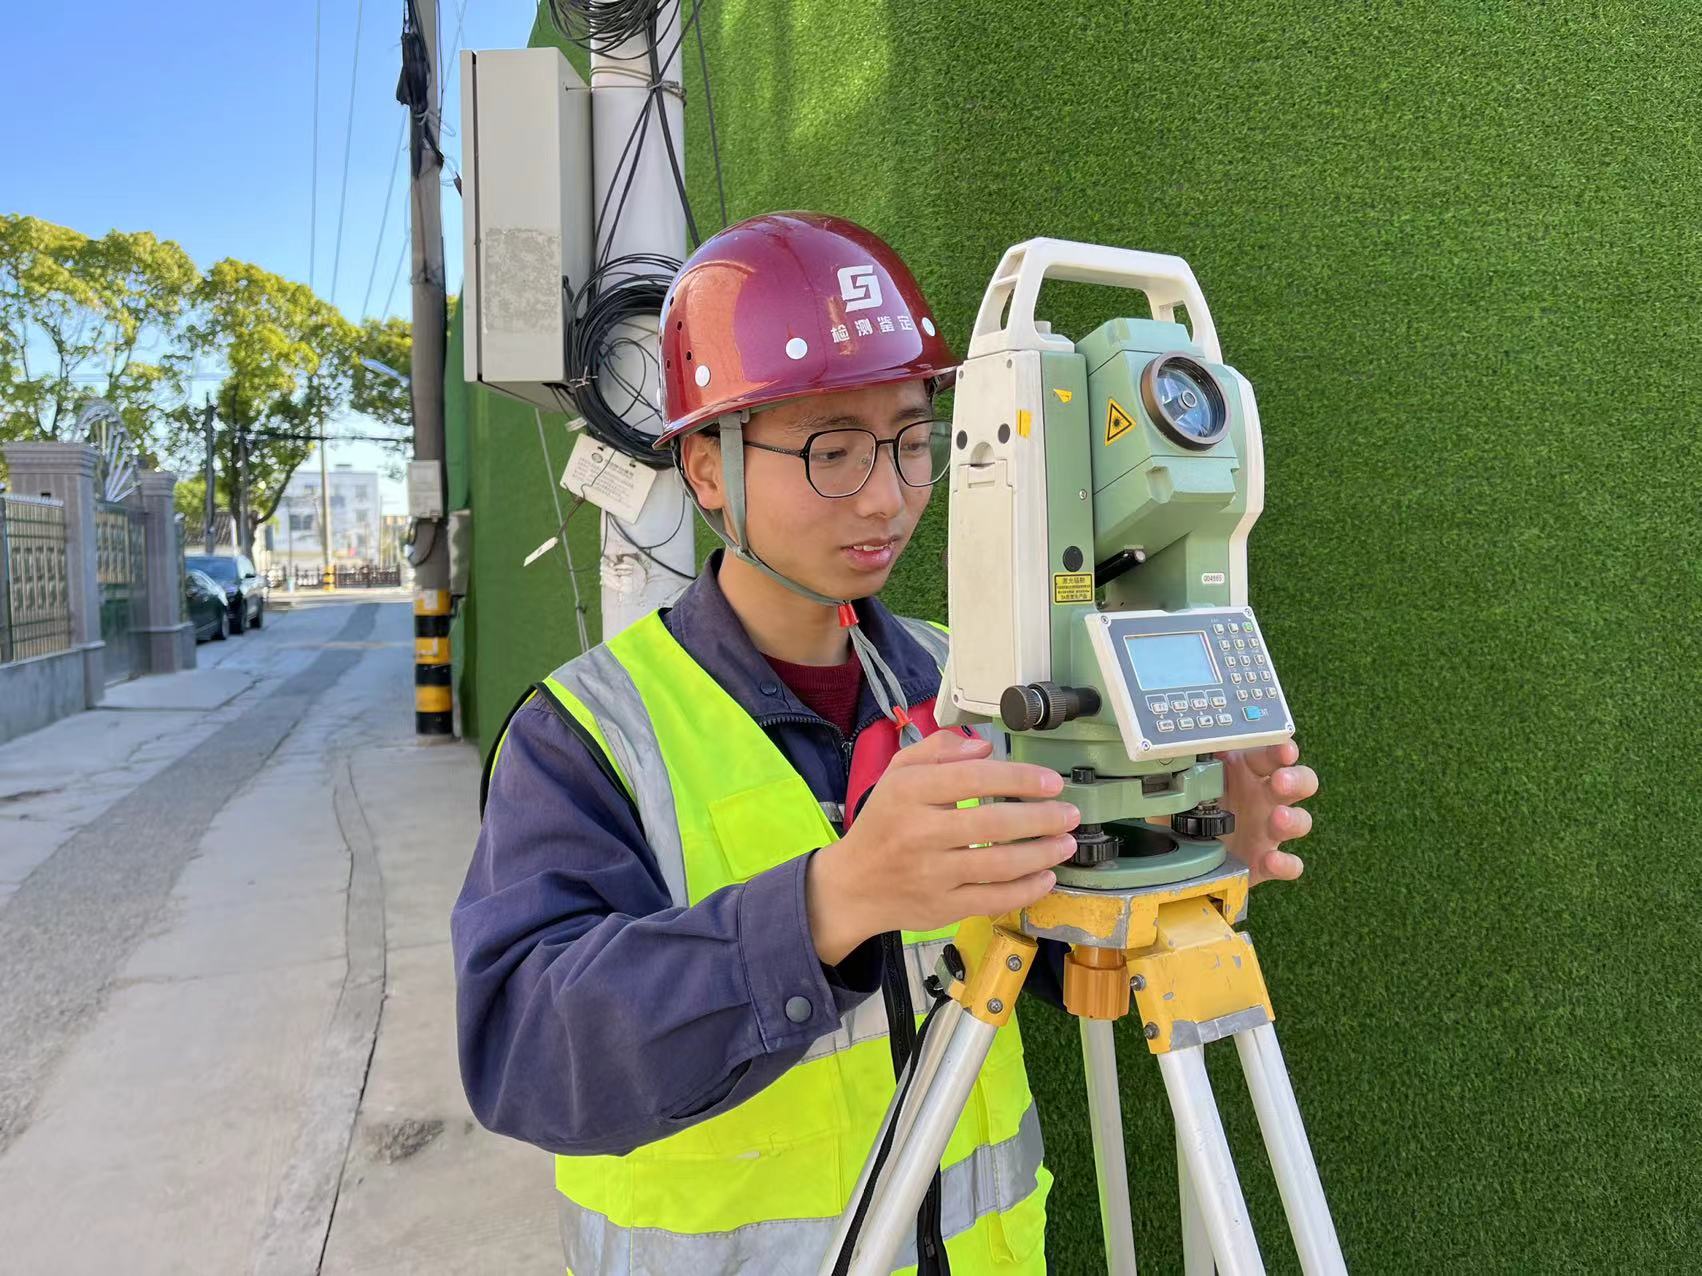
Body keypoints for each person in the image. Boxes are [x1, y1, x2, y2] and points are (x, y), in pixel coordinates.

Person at [452, 212, 1320, 1275]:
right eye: (832, 447)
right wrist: (829, 902)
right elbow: (528, 1054)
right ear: (706, 467)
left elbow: (1034, 947)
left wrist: (1156, 822)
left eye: (914, 441)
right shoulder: (586, 732)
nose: (887, 494)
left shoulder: (963, 678)